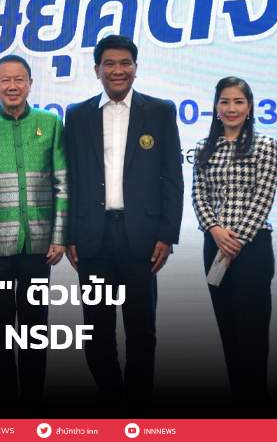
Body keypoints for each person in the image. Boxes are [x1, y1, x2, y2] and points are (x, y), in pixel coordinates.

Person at [65, 34, 183, 406]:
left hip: (142, 237)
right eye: (110, 64)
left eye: (125, 63)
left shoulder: (159, 111)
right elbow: (70, 177)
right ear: (96, 70)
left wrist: (168, 233)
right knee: (97, 329)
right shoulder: (77, 114)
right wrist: (68, 233)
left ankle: (139, 401)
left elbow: (172, 177)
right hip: (92, 236)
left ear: (135, 67)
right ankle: (110, 397)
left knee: (141, 329)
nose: (118, 70)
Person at [0, 54, 67, 407]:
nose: (12, 86)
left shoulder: (50, 123)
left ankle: (32, 405)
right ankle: (4, 408)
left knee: (36, 329)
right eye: (4, 80)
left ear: (30, 84)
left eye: (19, 79)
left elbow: (62, 185)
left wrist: (59, 237)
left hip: (39, 246)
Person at [192, 76, 277, 406]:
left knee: (252, 333)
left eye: (238, 102)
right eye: (225, 101)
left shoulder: (265, 145)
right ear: (216, 107)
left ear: (249, 106)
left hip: (253, 248)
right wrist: (214, 230)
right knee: (228, 331)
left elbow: (263, 197)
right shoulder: (204, 147)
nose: (231, 108)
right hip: (213, 245)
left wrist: (237, 239)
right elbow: (198, 195)